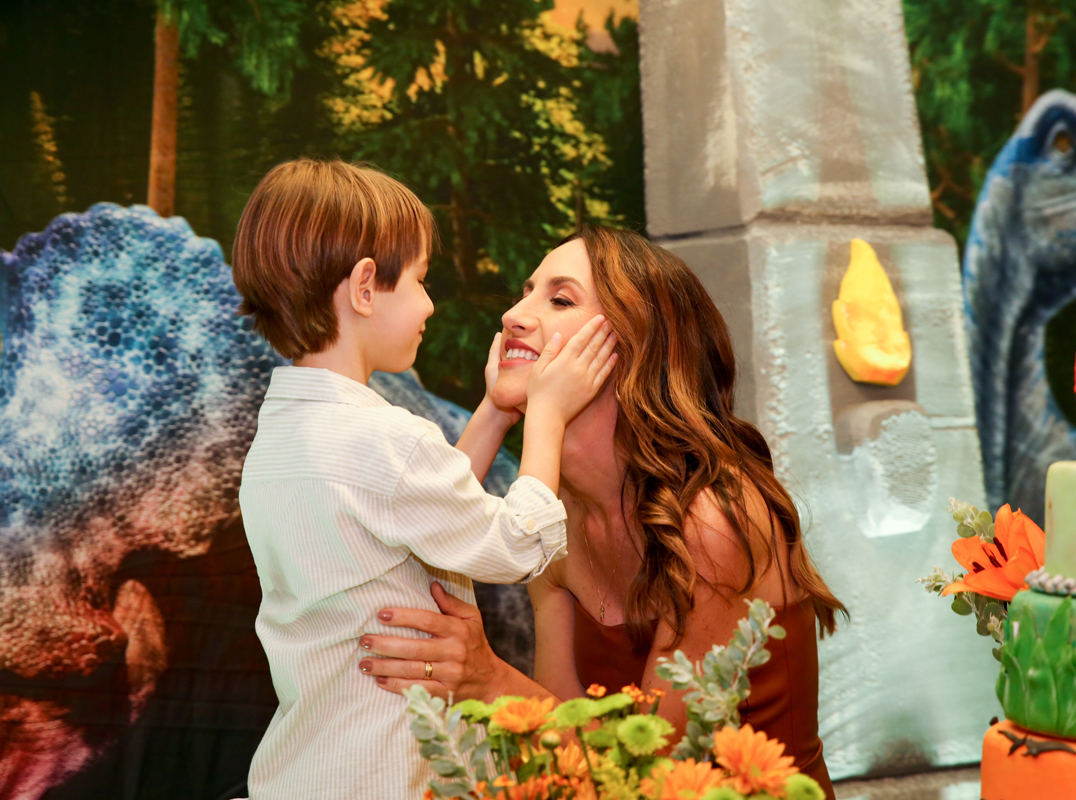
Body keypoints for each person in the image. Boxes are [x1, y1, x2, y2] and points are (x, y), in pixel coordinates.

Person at [357, 226, 846, 799]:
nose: (513, 315)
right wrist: (496, 408)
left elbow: (652, 763)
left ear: (637, 346)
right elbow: (563, 745)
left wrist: (486, 677)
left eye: (560, 299)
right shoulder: (555, 513)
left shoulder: (714, 521)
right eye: (526, 292)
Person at [230, 159, 618, 800]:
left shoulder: (282, 436)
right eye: (419, 280)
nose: (430, 304)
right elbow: (517, 545)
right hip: (392, 773)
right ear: (364, 288)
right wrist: (547, 413)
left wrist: (494, 411)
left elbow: (424, 513)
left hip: (307, 769)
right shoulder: (384, 437)